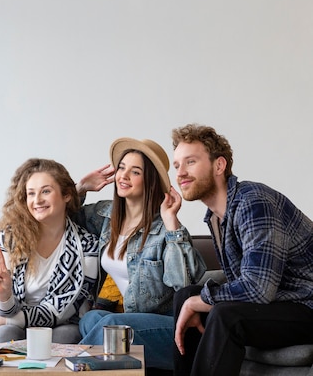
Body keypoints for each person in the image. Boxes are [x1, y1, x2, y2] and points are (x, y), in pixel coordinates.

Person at [171, 124, 313, 376]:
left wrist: (201, 300)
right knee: (185, 295)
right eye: (177, 165)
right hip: (281, 303)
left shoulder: (253, 201)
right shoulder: (215, 217)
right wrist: (194, 299)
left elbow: (258, 289)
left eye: (190, 162)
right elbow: (245, 283)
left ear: (219, 166)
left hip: (306, 305)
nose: (181, 173)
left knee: (226, 315)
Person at [74, 138, 207, 371]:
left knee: (113, 325)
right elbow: (60, 220)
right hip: (130, 324)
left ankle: (65, 369)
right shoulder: (105, 216)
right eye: (121, 168)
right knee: (91, 319)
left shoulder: (166, 229)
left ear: (151, 182)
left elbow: (183, 283)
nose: (123, 176)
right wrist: (81, 188)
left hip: (171, 327)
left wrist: (171, 222)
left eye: (135, 172)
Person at [0, 158, 100, 344]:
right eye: (31, 193)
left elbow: (62, 311)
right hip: (3, 326)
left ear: (67, 195)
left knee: (68, 335)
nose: (37, 200)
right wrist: (3, 294)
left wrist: (6, 320)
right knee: (8, 333)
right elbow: (1, 311)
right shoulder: (9, 239)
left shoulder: (87, 247)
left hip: (55, 325)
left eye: (46, 191)